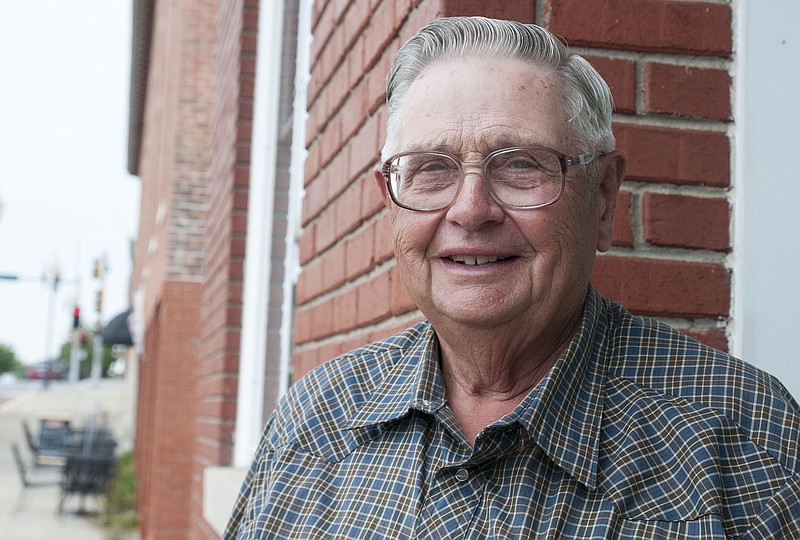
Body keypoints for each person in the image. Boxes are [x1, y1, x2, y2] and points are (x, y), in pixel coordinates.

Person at [225, 16, 800, 538]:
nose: (471, 210)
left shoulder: (747, 438)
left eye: (520, 164)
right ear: (390, 202)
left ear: (602, 200)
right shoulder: (314, 422)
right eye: (431, 169)